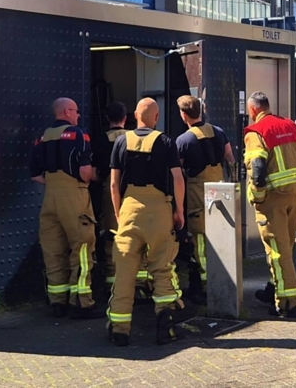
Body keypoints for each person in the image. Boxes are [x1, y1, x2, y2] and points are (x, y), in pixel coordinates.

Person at [107, 98, 185, 347]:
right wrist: (179, 210)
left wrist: (119, 212)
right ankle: (166, 325)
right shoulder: (165, 141)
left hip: (129, 208)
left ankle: (119, 329)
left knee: (125, 272)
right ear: (156, 116)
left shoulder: (121, 141)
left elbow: (113, 183)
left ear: (134, 116)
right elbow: (178, 178)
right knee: (162, 266)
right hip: (159, 210)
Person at [244, 91, 296, 317]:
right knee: (286, 247)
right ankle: (272, 288)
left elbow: (257, 170)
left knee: (278, 252)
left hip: (272, 199)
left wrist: (257, 197)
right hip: (293, 195)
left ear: (253, 110)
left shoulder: (256, 132)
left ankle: (288, 303)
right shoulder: (290, 125)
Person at [31, 97, 98, 319]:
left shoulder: (42, 137)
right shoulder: (79, 134)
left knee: (53, 250)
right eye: (76, 111)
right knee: (82, 247)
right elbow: (86, 171)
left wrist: (54, 183)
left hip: (50, 195)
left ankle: (57, 301)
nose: (78, 115)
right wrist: (80, 184)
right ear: (68, 111)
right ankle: (81, 302)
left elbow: (34, 174)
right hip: (73, 194)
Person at [175, 95, 236, 304]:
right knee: (218, 235)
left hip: (196, 193)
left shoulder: (183, 140)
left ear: (184, 115)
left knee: (199, 238)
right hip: (219, 189)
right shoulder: (218, 132)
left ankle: (203, 283)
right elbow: (230, 158)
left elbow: (177, 171)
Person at [91, 101, 128, 295]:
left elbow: (94, 172)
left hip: (109, 190)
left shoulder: (100, 140)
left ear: (107, 119)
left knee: (111, 234)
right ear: (126, 118)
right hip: (133, 192)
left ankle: (111, 281)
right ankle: (139, 282)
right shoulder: (134, 138)